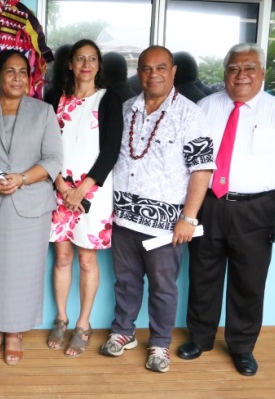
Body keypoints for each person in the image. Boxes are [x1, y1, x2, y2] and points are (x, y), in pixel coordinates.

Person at [178, 43, 275, 376]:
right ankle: (201, 338)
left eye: (250, 68)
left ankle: (241, 347)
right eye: (234, 68)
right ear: (224, 73)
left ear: (262, 73)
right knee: (203, 275)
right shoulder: (205, 107)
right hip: (209, 204)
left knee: (249, 281)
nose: (241, 75)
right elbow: (191, 161)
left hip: (256, 208)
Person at [99, 45, 215, 373]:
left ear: (173, 71)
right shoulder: (125, 109)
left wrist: (189, 218)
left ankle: (160, 343)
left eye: (161, 67)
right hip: (122, 216)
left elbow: (202, 169)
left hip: (166, 225)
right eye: (147, 68)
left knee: (163, 286)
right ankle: (124, 332)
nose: (153, 74)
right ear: (139, 72)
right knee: (125, 280)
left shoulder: (191, 114)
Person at [0, 49, 63, 366]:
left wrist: (20, 178)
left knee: (23, 273)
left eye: (23, 72)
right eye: (10, 71)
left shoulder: (44, 111)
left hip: (30, 206)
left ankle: (15, 332)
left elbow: (53, 160)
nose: (17, 77)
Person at [46, 39, 123, 357]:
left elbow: (111, 151)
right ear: (70, 64)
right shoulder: (55, 97)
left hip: (94, 192)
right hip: (59, 189)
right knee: (62, 258)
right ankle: (61, 319)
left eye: (92, 59)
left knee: (86, 259)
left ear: (99, 65)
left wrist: (82, 189)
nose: (86, 64)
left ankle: (83, 323)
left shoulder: (109, 100)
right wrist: (62, 185)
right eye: (80, 58)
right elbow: (45, 145)